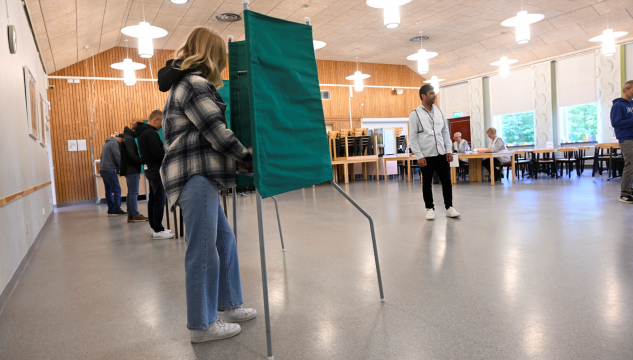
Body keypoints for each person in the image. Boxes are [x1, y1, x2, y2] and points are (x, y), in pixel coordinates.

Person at [158, 26, 257, 343]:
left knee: (223, 243)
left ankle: (228, 305)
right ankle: (202, 325)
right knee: (203, 252)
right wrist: (247, 156)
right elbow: (215, 130)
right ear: (213, 56)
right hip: (194, 175)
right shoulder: (194, 84)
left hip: (198, 176)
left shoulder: (183, 83)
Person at [409, 84, 460, 220]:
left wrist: (448, 150)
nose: (434, 95)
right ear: (423, 96)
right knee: (427, 183)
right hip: (426, 156)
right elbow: (412, 138)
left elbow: (445, 132)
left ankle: (449, 207)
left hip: (442, 154)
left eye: (435, 93)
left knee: (446, 181)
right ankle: (429, 208)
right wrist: (419, 156)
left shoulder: (439, 111)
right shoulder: (415, 114)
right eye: (431, 93)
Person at [135, 111, 174, 239]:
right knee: (159, 199)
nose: (162, 126)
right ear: (155, 120)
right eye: (162, 122)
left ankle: (155, 227)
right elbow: (158, 152)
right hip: (156, 169)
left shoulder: (142, 133)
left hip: (149, 169)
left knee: (153, 198)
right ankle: (158, 229)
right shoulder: (150, 133)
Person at [120, 124, 149, 222]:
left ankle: (131, 215)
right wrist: (143, 161)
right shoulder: (129, 139)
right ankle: (135, 215)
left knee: (131, 192)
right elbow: (132, 155)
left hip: (129, 169)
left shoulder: (127, 138)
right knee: (134, 192)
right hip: (132, 169)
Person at [610, 80, 633, 204]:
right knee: (631, 164)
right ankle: (624, 194)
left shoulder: (632, 104)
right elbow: (616, 123)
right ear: (626, 90)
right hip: (626, 138)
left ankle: (631, 190)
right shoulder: (618, 105)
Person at [99, 134, 126, 217]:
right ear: (121, 139)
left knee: (109, 190)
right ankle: (117, 209)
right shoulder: (114, 143)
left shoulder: (107, 143)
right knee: (117, 189)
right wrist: (123, 168)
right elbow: (117, 156)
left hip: (103, 169)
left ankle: (111, 209)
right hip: (109, 170)